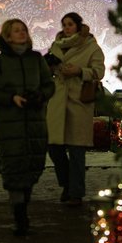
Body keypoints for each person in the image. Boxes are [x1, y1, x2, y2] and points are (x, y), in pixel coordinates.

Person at [0, 18, 55, 236]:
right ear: (7, 35)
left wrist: (40, 96)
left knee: (33, 166)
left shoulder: (36, 59)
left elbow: (49, 85)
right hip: (9, 125)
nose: (21, 33)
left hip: (34, 124)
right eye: (16, 30)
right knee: (14, 169)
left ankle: (23, 203)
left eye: (23, 29)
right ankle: (20, 215)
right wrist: (11, 98)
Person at [45, 12, 106, 206]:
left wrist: (80, 71)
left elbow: (99, 72)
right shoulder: (56, 46)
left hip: (78, 102)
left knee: (77, 150)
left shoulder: (91, 47)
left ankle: (76, 193)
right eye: (64, 24)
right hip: (57, 101)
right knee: (54, 148)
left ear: (79, 26)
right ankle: (67, 184)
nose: (66, 28)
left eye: (70, 24)